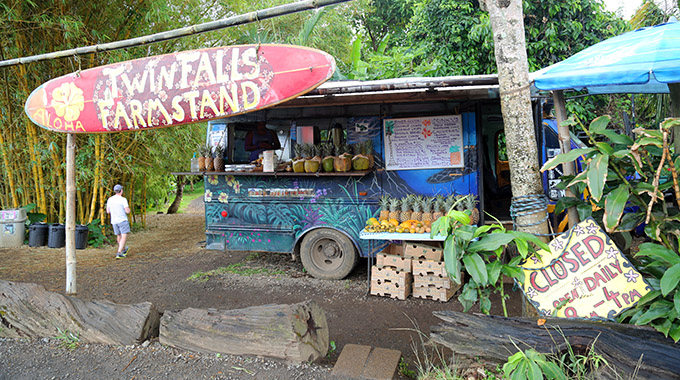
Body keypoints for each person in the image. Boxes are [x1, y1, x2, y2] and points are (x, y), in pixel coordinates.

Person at [106, 184, 131, 259]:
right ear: (121, 191)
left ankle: (123, 250)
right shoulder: (123, 199)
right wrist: (129, 210)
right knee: (124, 235)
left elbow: (108, 211)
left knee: (118, 235)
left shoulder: (110, 199)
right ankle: (119, 252)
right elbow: (127, 211)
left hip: (114, 221)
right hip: (122, 220)